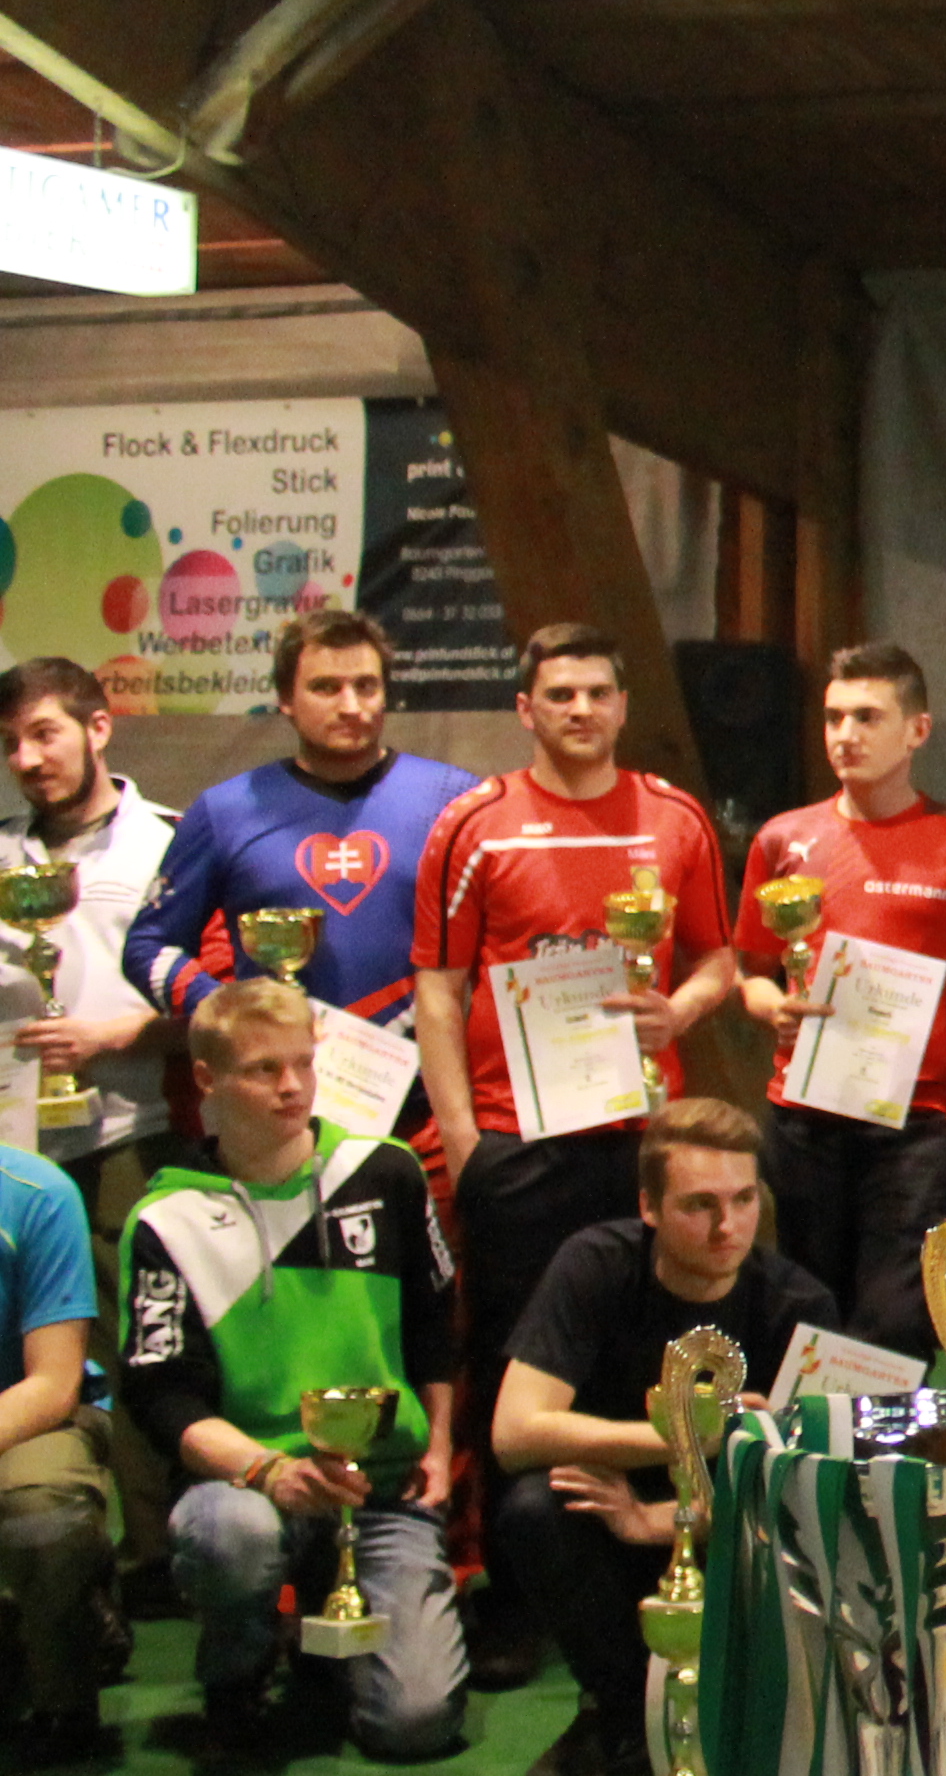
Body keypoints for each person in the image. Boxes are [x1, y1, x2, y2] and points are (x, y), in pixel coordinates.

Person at [410, 624, 734, 1690]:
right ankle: (513, 1593)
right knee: (512, 1358)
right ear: (526, 708)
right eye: (560, 693)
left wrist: (678, 1011)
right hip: (519, 1139)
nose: (581, 709)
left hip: (645, 1138)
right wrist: (466, 1140)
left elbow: (718, 956)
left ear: (623, 704)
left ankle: (661, 1556)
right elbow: (439, 988)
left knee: (653, 1349)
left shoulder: (675, 818)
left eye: (598, 691)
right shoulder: (475, 825)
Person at [120, 979, 465, 1766]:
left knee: (415, 1724)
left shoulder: (385, 1172)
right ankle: (236, 1672)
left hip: (380, 1489)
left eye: (303, 1064)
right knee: (229, 1537)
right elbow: (162, 1398)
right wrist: (270, 1472)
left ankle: (326, 1644)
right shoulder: (165, 1220)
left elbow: (433, 1327)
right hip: (246, 1486)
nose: (292, 1087)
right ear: (206, 1080)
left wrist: (441, 1448)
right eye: (262, 1070)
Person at [489, 1097, 829, 1776]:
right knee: (533, 1508)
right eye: (700, 1205)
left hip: (735, 1533)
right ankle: (618, 1712)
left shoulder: (799, 1308)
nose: (727, 1226)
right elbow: (514, 1433)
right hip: (613, 1517)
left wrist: (665, 1520)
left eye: (742, 1200)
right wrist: (685, 1436)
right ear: (649, 1207)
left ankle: (738, 1703)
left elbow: (812, 1496)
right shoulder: (595, 1264)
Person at [731, 644, 946, 1357]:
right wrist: (773, 1008)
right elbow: (751, 974)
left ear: (917, 730)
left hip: (917, 1126)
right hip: (804, 1117)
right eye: (834, 718)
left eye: (867, 717)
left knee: (896, 1328)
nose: (845, 735)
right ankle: (814, 1437)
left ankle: (891, 1437)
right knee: (809, 1322)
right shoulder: (783, 839)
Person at [127, 608, 479, 1143]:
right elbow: (148, 945)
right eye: (325, 687)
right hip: (279, 1116)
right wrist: (233, 1015)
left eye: (366, 686)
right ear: (285, 700)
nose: (351, 706)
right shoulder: (225, 811)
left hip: (429, 1109)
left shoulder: (456, 799)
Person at [3, 659, 177, 1286]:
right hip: (9, 1149)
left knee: (118, 1329)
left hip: (128, 1138)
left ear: (98, 728)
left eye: (44, 734)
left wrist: (106, 1038)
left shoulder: (172, 842)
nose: (26, 759)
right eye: (9, 743)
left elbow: (220, 1011)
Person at [0, 1141, 116, 1772]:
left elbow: (52, 1383)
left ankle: (62, 1701)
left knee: (40, 1508)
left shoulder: (36, 1195)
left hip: (34, 1420)